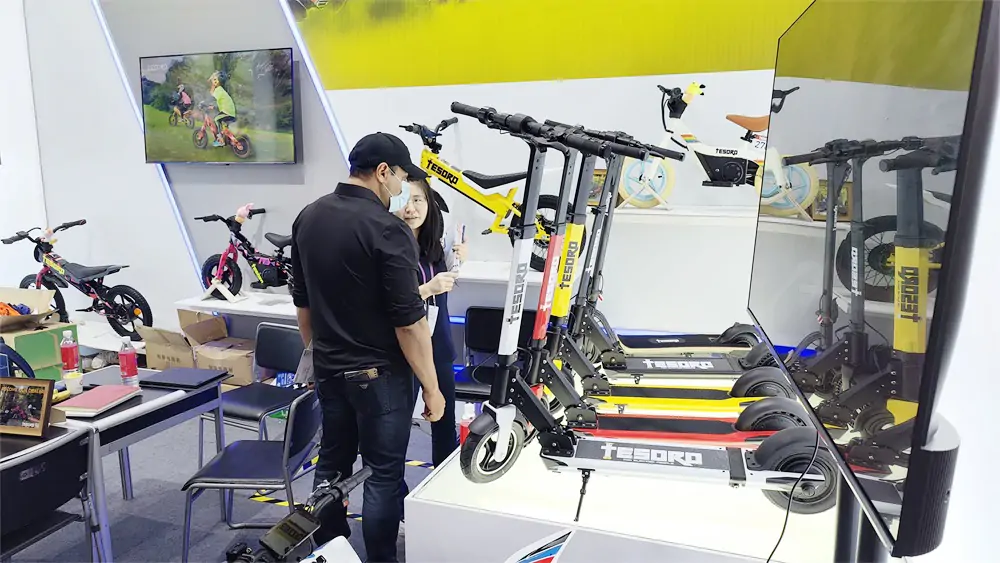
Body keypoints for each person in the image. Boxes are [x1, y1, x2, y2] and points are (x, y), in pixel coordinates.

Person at [291, 132, 445, 563]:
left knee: (331, 466)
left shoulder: (309, 217)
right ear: (382, 172)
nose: (401, 189)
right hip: (379, 376)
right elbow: (409, 323)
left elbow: (303, 304)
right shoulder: (388, 229)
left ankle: (330, 553)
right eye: (400, 178)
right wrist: (432, 388)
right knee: (382, 473)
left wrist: (318, 357)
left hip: (329, 369)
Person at [396, 180, 466, 467]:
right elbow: (389, 303)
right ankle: (393, 490)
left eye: (418, 200)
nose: (411, 208)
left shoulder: (434, 247)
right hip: (405, 351)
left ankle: (442, 483)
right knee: (397, 430)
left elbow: (445, 284)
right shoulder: (389, 249)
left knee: (444, 422)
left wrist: (459, 260)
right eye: (404, 200)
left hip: (439, 347)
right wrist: (426, 289)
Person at [207, 71, 237, 146]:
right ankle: (231, 139)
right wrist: (213, 106)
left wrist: (204, 103)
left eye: (215, 80)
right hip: (229, 111)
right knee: (224, 128)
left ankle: (221, 140)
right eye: (213, 80)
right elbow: (219, 101)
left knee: (216, 119)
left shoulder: (219, 90)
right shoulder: (221, 90)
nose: (214, 81)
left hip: (227, 112)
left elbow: (211, 97)